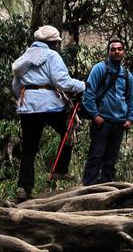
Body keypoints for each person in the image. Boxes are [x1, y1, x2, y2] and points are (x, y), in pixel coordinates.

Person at [11, 25, 85, 201]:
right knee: (70, 128)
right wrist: (82, 85)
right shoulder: (52, 55)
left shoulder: (24, 57)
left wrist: (24, 98)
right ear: (52, 42)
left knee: (29, 148)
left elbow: (15, 85)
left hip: (28, 105)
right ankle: (60, 169)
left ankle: (24, 188)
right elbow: (62, 81)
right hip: (49, 104)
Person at [82, 37, 133, 185]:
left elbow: (132, 99)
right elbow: (89, 93)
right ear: (108, 52)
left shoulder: (127, 75)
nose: (116, 52)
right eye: (113, 49)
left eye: (119, 49)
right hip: (102, 121)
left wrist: (130, 119)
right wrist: (95, 115)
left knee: (111, 159)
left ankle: (106, 189)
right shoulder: (100, 69)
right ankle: (88, 188)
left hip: (119, 123)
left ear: (124, 52)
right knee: (96, 155)